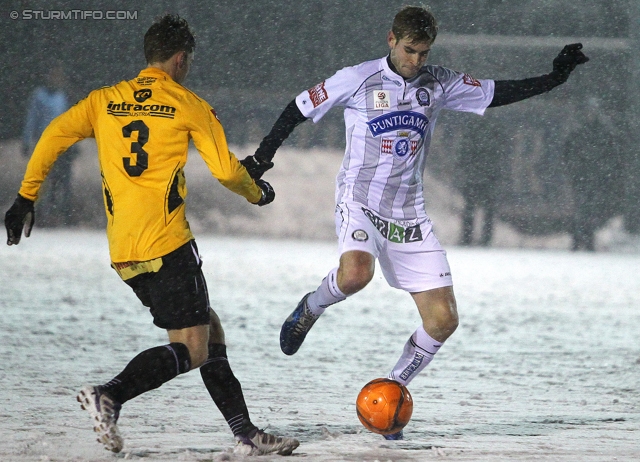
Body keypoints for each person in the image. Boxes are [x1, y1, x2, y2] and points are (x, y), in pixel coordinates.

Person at [240, 6, 588, 440]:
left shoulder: (438, 82)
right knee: (355, 275)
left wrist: (554, 77)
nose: (417, 61)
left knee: (443, 321)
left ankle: (391, 394)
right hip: (361, 199)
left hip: (410, 213)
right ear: (391, 40)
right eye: (410, 51)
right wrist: (264, 157)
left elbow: (498, 92)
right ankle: (310, 308)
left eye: (424, 53)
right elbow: (297, 108)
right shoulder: (357, 78)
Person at [4, 15, 299, 456]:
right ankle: (110, 395)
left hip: (124, 251)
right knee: (193, 348)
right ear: (181, 59)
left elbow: (52, 136)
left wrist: (26, 197)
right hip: (168, 244)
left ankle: (246, 432)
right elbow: (225, 171)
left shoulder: (104, 100)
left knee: (206, 326)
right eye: (189, 61)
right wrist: (259, 193)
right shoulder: (187, 102)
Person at [22, 62, 79, 226]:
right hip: (45, 144)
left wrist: (75, 144)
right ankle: (40, 215)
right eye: (53, 76)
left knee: (64, 181)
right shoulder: (39, 96)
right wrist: (27, 141)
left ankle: (63, 215)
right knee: (44, 181)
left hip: (64, 145)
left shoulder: (65, 96)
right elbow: (32, 119)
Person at [562, 98, 623, 251]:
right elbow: (568, 153)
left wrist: (603, 171)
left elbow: (612, 155)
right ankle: (578, 241)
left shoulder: (603, 133)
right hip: (582, 177)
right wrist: (575, 169)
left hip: (594, 177)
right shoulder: (579, 132)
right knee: (581, 210)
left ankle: (587, 241)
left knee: (590, 210)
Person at [457, 117, 508, 247]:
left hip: (474, 175)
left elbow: (464, 153)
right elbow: (500, 154)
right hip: (489, 175)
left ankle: (467, 237)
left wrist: (464, 168)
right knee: (487, 210)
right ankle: (485, 239)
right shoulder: (495, 131)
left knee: (470, 208)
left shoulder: (472, 131)